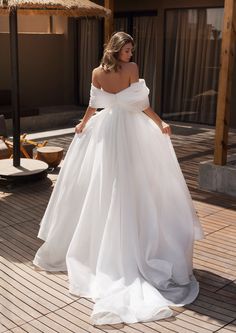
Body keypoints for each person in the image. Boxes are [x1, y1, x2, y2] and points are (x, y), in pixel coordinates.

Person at [33, 32, 204, 325]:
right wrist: (83, 124)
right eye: (126, 49)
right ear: (115, 50)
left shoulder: (100, 71)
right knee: (108, 186)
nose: (130, 53)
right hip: (120, 132)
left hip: (110, 129)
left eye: (131, 50)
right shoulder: (123, 71)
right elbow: (129, 104)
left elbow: (99, 105)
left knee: (129, 186)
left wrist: (159, 122)